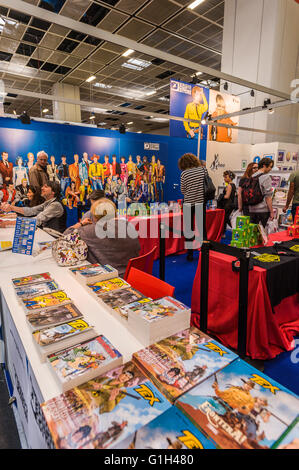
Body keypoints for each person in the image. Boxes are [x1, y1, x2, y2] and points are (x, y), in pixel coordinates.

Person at [63, 198, 140, 277]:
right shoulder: (127, 225)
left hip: (106, 277)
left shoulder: (88, 231)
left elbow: (65, 235)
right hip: (131, 273)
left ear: (94, 215)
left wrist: (81, 223)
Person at [1, 181, 66, 232]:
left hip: (54, 238)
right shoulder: (47, 203)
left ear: (53, 192)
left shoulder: (56, 205)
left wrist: (8, 223)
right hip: (46, 234)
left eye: (46, 187)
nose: (42, 188)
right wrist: (11, 207)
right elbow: (31, 210)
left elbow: (37, 220)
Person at [179, 153, 208, 261]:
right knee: (202, 228)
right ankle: (205, 251)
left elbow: (183, 190)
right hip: (201, 202)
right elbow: (207, 184)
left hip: (188, 203)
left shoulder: (184, 174)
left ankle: (190, 254)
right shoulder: (203, 170)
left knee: (189, 229)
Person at [249, 157, 274, 227]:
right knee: (261, 233)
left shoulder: (252, 176)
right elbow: (268, 197)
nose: (270, 169)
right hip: (262, 210)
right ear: (264, 166)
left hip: (251, 209)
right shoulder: (266, 177)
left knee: (252, 233)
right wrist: (271, 211)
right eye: (270, 167)